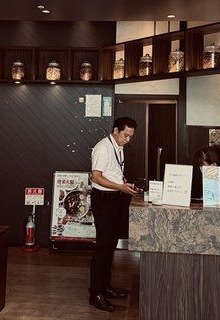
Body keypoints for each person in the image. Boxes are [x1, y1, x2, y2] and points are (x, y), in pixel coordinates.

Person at [88, 116, 139, 312]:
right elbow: (96, 177)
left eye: (131, 136)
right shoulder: (103, 148)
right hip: (103, 200)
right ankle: (95, 294)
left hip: (115, 198)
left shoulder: (118, 146)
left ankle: (105, 287)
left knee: (110, 246)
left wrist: (123, 184)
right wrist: (120, 187)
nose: (128, 139)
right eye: (126, 135)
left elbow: (113, 172)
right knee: (103, 247)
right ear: (116, 130)